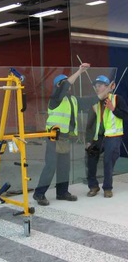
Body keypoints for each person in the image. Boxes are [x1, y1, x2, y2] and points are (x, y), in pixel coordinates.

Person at [31, 64, 89, 205]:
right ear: (58, 86)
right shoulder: (55, 98)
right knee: (50, 166)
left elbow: (89, 101)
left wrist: (103, 93)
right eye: (64, 84)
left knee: (64, 167)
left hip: (65, 139)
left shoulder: (72, 100)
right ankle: (39, 194)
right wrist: (80, 71)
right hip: (53, 137)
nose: (68, 86)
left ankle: (62, 192)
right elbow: (66, 85)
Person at [83, 74, 124, 198]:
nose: (97, 88)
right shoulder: (94, 102)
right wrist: (88, 140)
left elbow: (126, 116)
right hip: (98, 137)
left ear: (108, 87)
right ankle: (93, 186)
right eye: (96, 86)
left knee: (108, 161)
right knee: (91, 159)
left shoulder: (117, 99)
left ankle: (107, 188)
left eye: (100, 86)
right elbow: (89, 123)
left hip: (113, 136)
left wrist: (113, 109)